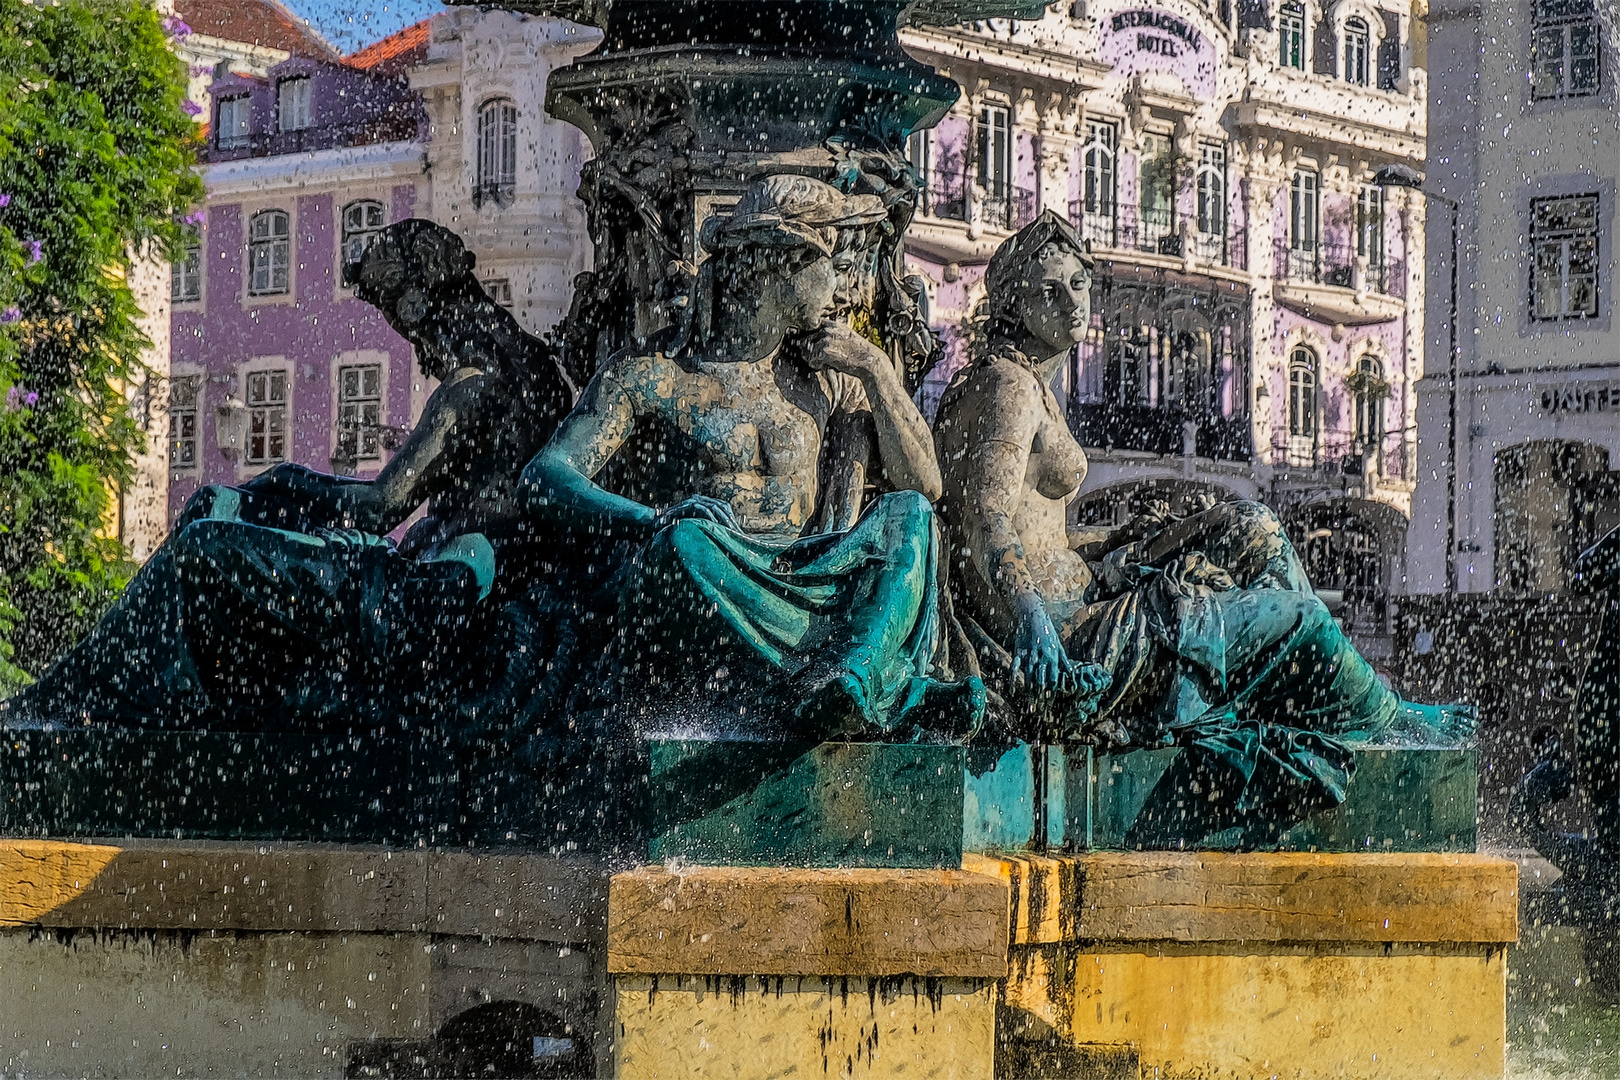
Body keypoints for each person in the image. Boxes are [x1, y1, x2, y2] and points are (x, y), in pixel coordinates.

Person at [934, 211, 1474, 814]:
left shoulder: (1017, 383)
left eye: (1078, 285)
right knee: (1302, 618)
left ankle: (1294, 700)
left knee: (1249, 525)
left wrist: (1124, 535)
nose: (1071, 305)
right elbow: (986, 515)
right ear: (1015, 304)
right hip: (1073, 638)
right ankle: (1374, 719)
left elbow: (1043, 538)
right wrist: (1031, 615)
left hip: (1083, 593)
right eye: (1049, 293)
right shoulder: (1007, 386)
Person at [3, 222, 576, 730]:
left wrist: (288, 480)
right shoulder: (534, 369)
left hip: (422, 600)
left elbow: (377, 509)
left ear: (421, 299)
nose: (403, 333)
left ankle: (68, 703)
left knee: (202, 543)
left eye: (392, 309)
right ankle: (98, 698)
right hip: (444, 584)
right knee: (213, 515)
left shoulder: (469, 386)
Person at [521, 174, 981, 740]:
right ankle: (860, 683)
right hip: (718, 582)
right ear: (783, 263)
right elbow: (543, 478)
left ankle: (851, 677)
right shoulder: (654, 376)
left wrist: (878, 371)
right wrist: (651, 518)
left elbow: (926, 483)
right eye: (834, 266)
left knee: (910, 514)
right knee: (682, 545)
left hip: (809, 580)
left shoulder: (831, 380)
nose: (843, 290)